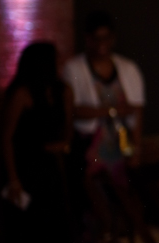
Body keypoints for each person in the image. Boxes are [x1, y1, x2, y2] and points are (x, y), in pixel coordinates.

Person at [1, 41, 74, 243]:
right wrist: (13, 178)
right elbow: (7, 138)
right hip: (28, 168)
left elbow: (68, 128)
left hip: (51, 166)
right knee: (34, 231)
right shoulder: (22, 94)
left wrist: (63, 144)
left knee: (56, 228)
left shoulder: (62, 91)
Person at [62, 10, 145, 186]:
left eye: (106, 38)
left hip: (122, 144)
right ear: (87, 39)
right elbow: (72, 110)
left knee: (123, 194)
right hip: (90, 146)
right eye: (96, 38)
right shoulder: (74, 69)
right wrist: (111, 111)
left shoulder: (128, 68)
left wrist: (136, 149)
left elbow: (137, 111)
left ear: (112, 38)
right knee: (95, 195)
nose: (101, 44)